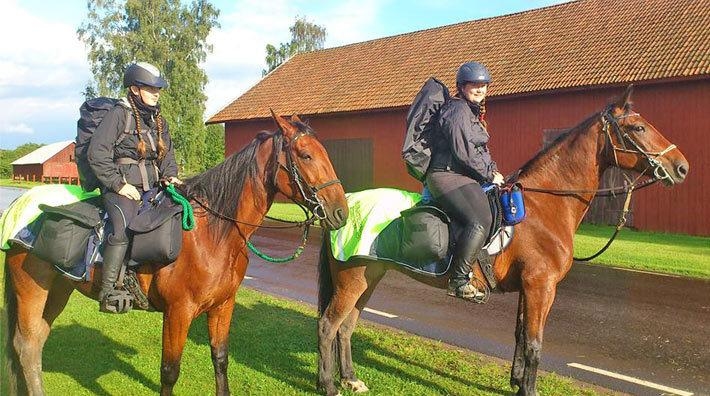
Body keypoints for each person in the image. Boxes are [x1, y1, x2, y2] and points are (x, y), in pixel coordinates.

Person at [88, 61, 181, 313]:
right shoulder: (119, 114)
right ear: (135, 89)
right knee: (123, 225)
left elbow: (168, 155)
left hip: (152, 187)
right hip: (121, 188)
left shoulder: (159, 120)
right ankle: (108, 291)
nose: (156, 92)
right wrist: (118, 185)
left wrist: (170, 175)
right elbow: (97, 153)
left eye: (158, 88)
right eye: (150, 88)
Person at [425, 61, 504, 301]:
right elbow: (465, 151)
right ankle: (459, 280)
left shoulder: (471, 112)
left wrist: (495, 172)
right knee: (481, 219)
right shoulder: (457, 110)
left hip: (462, 176)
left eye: (483, 85)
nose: (480, 89)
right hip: (446, 175)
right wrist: (489, 175)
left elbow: (480, 151)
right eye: (474, 85)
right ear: (462, 86)